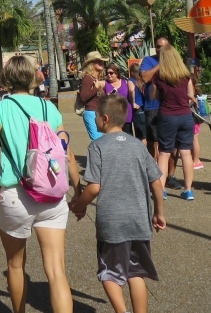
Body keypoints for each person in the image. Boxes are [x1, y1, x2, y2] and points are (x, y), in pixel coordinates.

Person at [0, 56, 80, 313]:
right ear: (33, 78)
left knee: (15, 265)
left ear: (6, 79)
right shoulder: (49, 108)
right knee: (56, 270)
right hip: (52, 194)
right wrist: (78, 188)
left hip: (16, 194)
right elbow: (65, 152)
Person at [70, 94, 165, 313]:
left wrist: (79, 205)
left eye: (95, 117)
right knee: (136, 273)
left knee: (109, 272)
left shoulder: (98, 147)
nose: (94, 120)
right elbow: (157, 184)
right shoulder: (138, 146)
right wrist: (159, 213)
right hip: (139, 219)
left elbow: (94, 187)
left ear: (104, 118)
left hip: (112, 222)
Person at [141, 45, 197, 202]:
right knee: (186, 153)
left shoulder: (159, 77)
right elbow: (190, 95)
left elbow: (152, 96)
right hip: (185, 116)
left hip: (167, 116)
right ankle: (188, 190)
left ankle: (162, 189)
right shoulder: (185, 75)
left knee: (164, 153)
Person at [77, 53, 106, 141]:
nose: (101, 63)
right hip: (91, 113)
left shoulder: (95, 79)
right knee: (97, 141)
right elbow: (83, 97)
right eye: (98, 61)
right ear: (91, 64)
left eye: (101, 61)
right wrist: (96, 88)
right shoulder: (87, 78)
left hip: (98, 113)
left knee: (100, 141)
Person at [104, 64, 136, 137]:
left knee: (128, 135)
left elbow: (133, 92)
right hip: (113, 115)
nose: (109, 75)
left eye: (111, 73)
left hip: (126, 114)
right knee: (115, 136)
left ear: (117, 73)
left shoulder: (126, 82)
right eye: (107, 73)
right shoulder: (105, 83)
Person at [129, 64, 148, 145]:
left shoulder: (131, 80)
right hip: (144, 107)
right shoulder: (141, 81)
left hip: (137, 109)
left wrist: (133, 102)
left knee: (140, 135)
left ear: (132, 72)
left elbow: (131, 90)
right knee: (144, 135)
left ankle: (142, 154)